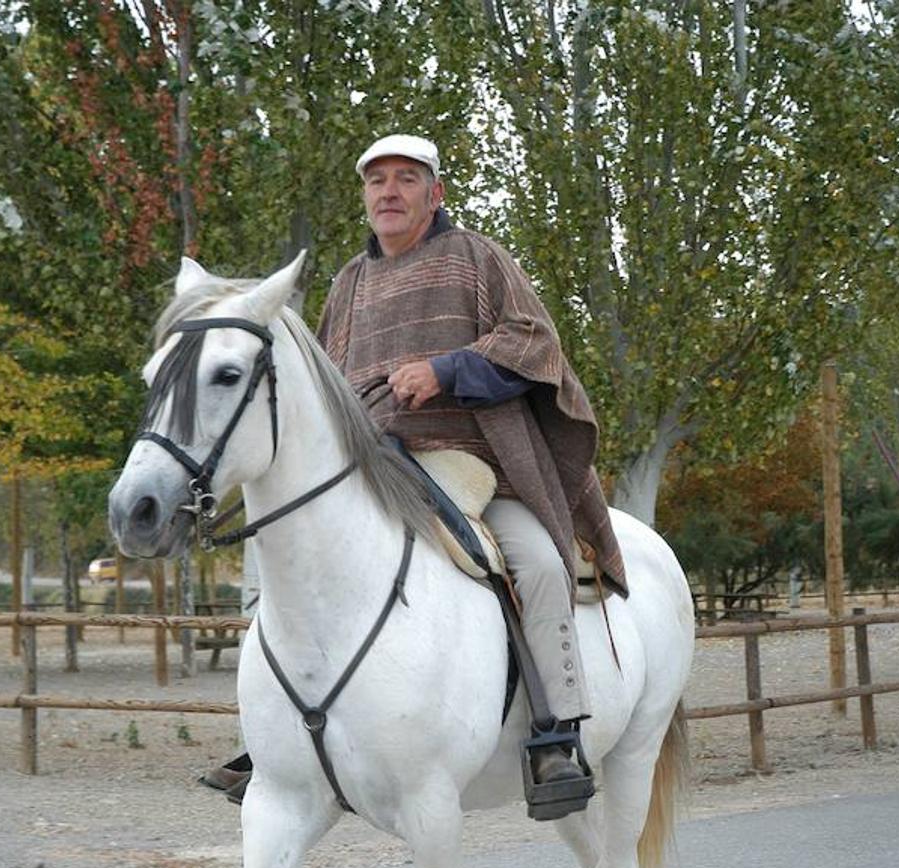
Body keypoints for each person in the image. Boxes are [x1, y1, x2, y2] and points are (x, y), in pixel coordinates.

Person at [202, 133, 629, 810]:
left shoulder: (476, 258)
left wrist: (444, 370)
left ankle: (556, 734)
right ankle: (279, 740)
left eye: (406, 179)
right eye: (377, 181)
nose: (389, 192)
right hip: (372, 467)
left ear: (435, 194)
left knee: (541, 565)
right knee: (289, 557)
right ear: (365, 197)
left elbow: (532, 343)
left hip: (473, 464)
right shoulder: (349, 282)